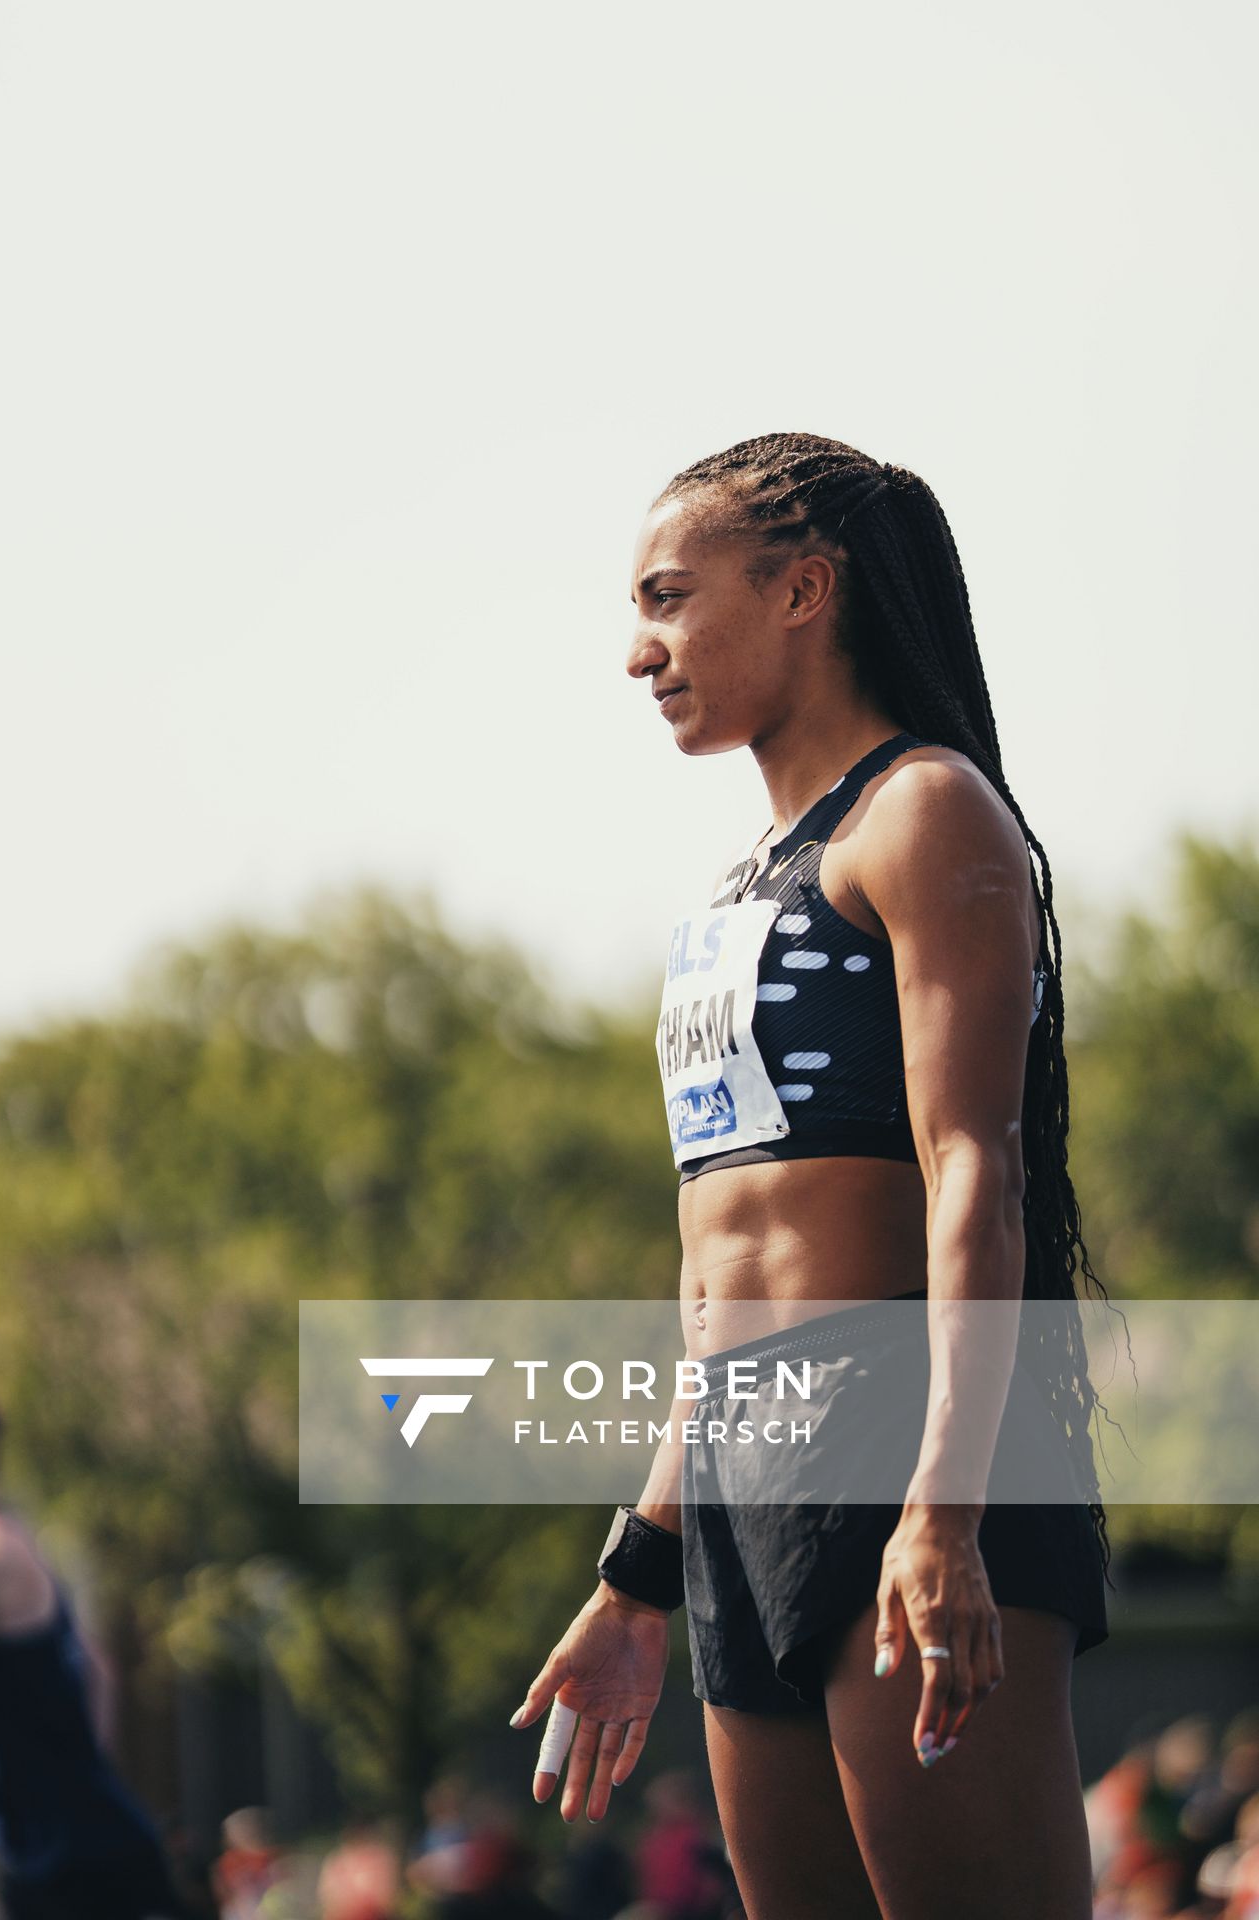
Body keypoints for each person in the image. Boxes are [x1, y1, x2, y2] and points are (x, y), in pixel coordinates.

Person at [510, 433, 1121, 1919]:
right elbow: (721, 1282)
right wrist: (638, 1571)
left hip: (912, 1431)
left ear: (804, 589)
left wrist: (947, 1508)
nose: (639, 650)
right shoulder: (737, 891)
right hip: (744, 1473)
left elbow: (976, 1167)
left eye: (670, 595)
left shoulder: (923, 812)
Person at [0, 1396, 192, 1918]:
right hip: (91, 1837)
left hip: (60, 1865)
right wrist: (74, 1781)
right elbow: (101, 1671)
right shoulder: (12, 1538)